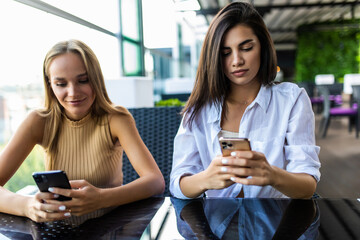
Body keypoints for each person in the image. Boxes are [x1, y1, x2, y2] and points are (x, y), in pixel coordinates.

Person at [0, 39, 165, 222]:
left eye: (83, 80)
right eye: (61, 84)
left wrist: (101, 198)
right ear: (50, 85)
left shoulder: (116, 119)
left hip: (108, 228)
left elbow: (155, 181)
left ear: (96, 79)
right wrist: (26, 206)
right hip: (58, 231)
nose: (73, 92)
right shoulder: (39, 121)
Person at [170, 2, 320, 199]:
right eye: (225, 53)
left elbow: (308, 186)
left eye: (246, 48)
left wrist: (273, 175)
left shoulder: (292, 100)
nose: (236, 61)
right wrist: (206, 179)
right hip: (215, 224)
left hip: (275, 223)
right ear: (214, 57)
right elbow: (177, 184)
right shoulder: (199, 109)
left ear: (262, 47)